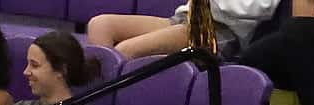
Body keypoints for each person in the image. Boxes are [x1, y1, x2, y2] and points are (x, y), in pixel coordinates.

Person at [86, 0, 283, 60]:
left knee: (126, 51)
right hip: (186, 18)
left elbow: (259, 7)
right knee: (100, 25)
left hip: (221, 30)